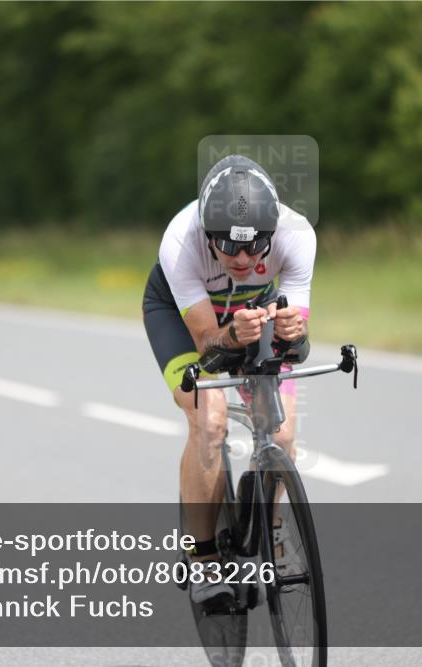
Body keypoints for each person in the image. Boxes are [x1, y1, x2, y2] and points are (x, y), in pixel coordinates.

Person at [142, 155, 316, 608]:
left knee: (282, 428)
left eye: (255, 247)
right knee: (210, 419)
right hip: (185, 319)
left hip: (254, 310)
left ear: (272, 234)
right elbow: (207, 345)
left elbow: (294, 339)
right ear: (207, 235)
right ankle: (202, 557)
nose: (242, 259)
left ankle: (270, 525)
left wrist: (295, 332)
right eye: (228, 247)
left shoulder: (298, 236)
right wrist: (233, 335)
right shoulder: (181, 241)